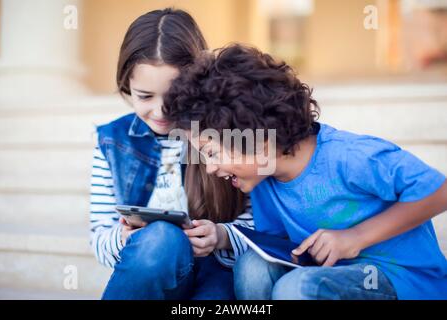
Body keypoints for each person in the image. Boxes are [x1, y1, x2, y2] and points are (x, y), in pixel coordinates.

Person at [163, 43, 447, 300]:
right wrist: (220, 235)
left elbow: (439, 190)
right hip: (327, 277)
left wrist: (356, 237)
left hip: (401, 281)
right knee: (253, 266)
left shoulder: (349, 156)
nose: (210, 168)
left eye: (211, 153)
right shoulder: (263, 182)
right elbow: (277, 248)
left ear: (259, 139)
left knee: (295, 289)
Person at [89, 9, 254, 300]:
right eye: (145, 96)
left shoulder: (226, 133)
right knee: (162, 239)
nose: (162, 111)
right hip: (152, 267)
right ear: (126, 85)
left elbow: (261, 224)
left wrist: (222, 236)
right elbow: (100, 236)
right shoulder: (111, 141)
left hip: (217, 275)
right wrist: (126, 239)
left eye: (175, 93)